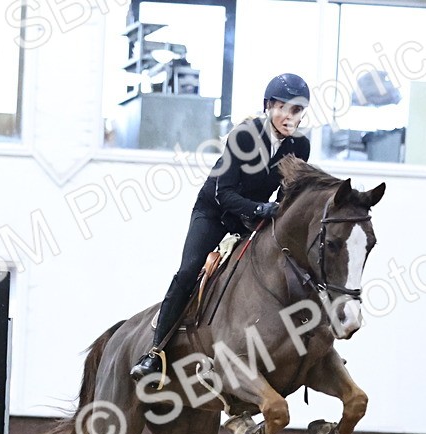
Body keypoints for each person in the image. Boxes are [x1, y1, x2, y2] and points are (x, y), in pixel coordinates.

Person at [129, 73, 314, 381]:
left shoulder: (300, 148)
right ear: (269, 106)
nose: (289, 117)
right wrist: (260, 209)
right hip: (214, 211)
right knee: (188, 271)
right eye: (283, 108)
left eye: (296, 111)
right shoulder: (245, 135)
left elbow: (286, 195)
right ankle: (155, 352)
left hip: (252, 218)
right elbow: (223, 193)